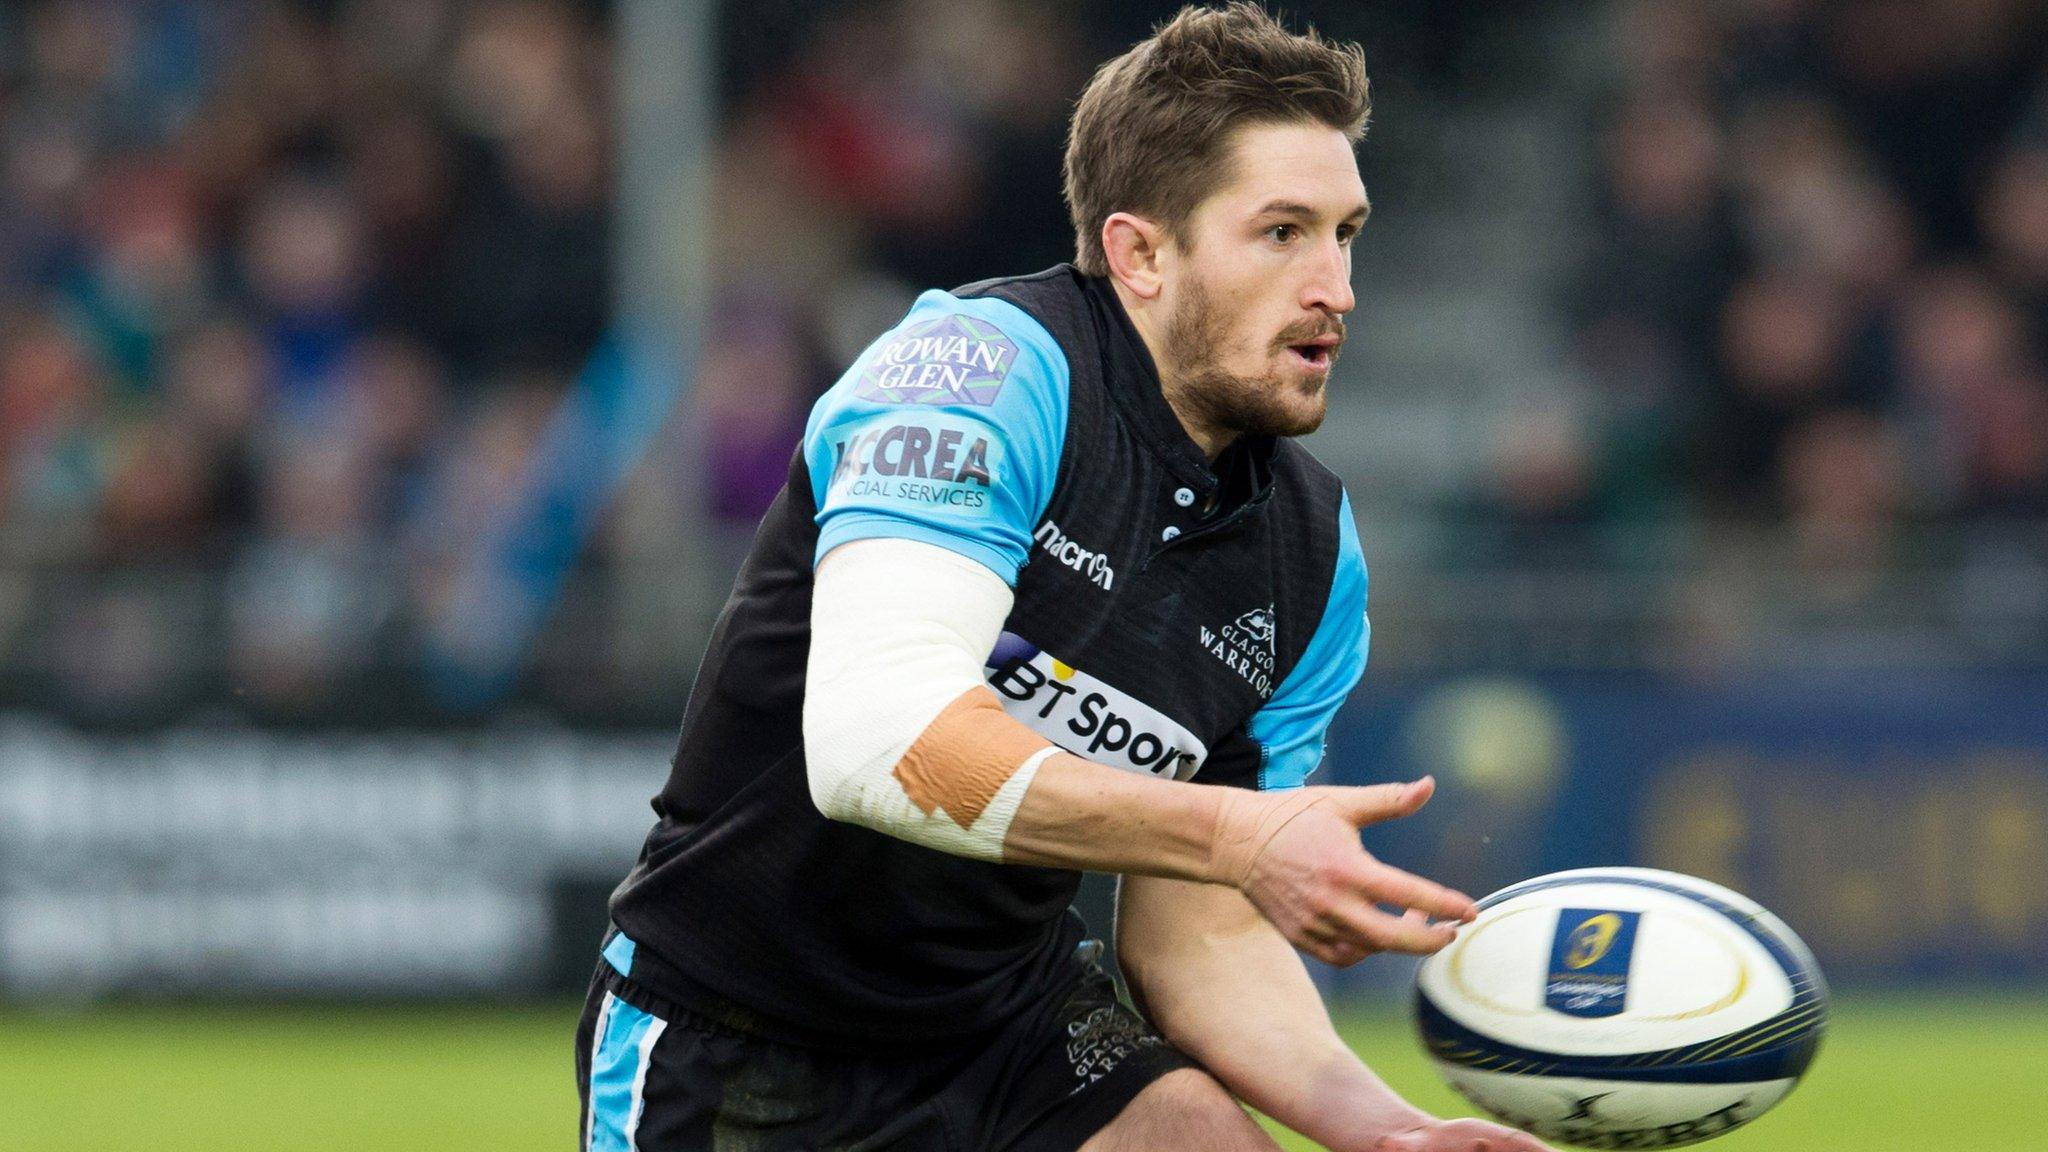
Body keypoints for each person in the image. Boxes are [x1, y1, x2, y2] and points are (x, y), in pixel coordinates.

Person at [578, 5, 1552, 1150]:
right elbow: (876, 743)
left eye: (1345, 234)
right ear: (1141, 252)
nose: (1333, 286)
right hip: (742, 1033)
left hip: (1010, 1031)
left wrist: (1382, 1130)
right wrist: (1234, 834)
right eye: (1282, 232)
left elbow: (1198, 937)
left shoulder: (1311, 555)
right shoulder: (977, 374)